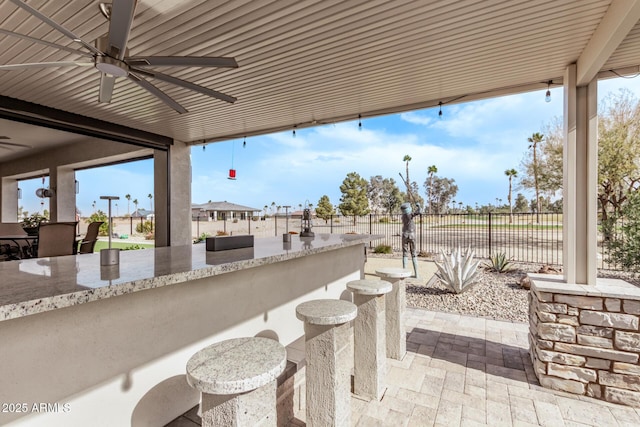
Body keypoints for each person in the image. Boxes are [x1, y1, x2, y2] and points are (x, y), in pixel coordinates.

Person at [400, 202, 420, 278]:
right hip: (412, 235)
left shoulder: (403, 216)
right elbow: (418, 212)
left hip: (404, 235)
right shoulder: (409, 215)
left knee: (405, 254)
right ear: (408, 209)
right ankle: (417, 274)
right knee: (414, 254)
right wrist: (418, 206)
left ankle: (404, 274)